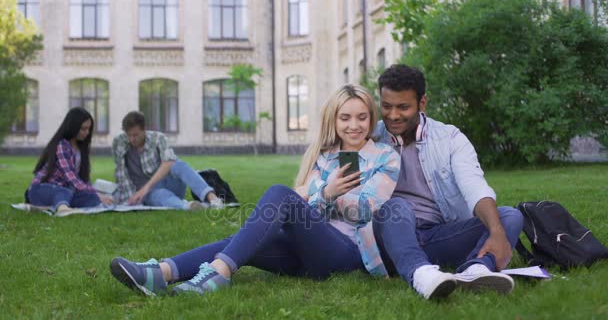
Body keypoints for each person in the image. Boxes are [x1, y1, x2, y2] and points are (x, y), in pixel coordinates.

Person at [109, 85, 400, 296]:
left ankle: (220, 273)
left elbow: (366, 211)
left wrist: (325, 193)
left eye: (362, 117)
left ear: (371, 118)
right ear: (334, 121)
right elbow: (307, 213)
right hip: (307, 251)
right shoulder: (324, 158)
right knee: (244, 238)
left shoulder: (385, 157)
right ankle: (161, 273)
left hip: (347, 253)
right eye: (345, 118)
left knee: (279, 194)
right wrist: (322, 196)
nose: (354, 125)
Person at [371, 64, 524, 299]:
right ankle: (420, 274)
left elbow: (475, 186)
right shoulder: (370, 136)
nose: (393, 115)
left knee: (508, 217)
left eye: (403, 107)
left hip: (437, 236)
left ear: (422, 103)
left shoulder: (450, 138)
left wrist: (496, 231)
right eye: (386, 106)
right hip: (392, 237)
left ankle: (477, 269)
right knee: (397, 206)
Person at [111, 111, 223, 210]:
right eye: (129, 135)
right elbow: (120, 174)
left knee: (177, 164)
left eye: (135, 135)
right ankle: (188, 206)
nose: (132, 139)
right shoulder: (119, 142)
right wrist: (129, 196)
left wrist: (146, 188)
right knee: (157, 195)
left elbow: (168, 162)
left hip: (169, 184)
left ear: (144, 129)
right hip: (149, 193)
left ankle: (212, 198)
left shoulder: (159, 138)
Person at [26, 107, 113, 217]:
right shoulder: (62, 145)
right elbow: (70, 177)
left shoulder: (81, 149)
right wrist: (96, 193)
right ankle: (62, 209)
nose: (87, 132)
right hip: (42, 190)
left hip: (67, 191)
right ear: (73, 127)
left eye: (89, 129)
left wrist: (96, 195)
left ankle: (50, 207)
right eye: (83, 129)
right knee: (62, 191)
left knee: (92, 199)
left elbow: (83, 179)